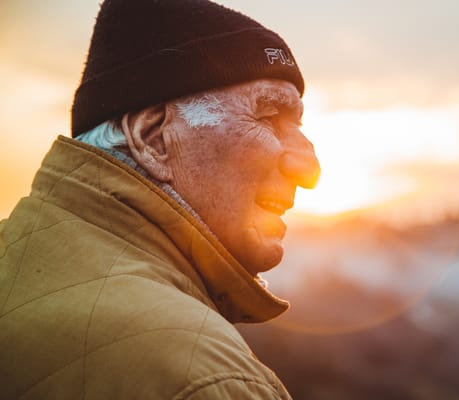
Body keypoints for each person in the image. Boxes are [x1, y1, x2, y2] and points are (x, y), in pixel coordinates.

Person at [0, 0, 319, 398]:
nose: (309, 169)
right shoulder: (207, 379)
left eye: (299, 127)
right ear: (153, 139)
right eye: (269, 117)